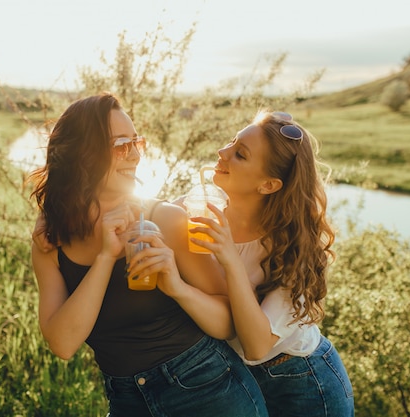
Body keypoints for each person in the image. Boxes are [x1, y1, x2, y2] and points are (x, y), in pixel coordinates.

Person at [28, 93, 268, 417]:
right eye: (121, 145)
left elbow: (229, 324)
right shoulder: (52, 237)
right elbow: (63, 343)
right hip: (126, 400)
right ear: (81, 154)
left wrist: (177, 288)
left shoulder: (165, 220)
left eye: (136, 143)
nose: (135, 156)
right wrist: (104, 258)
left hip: (207, 390)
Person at [184, 110, 355, 416]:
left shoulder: (294, 248)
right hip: (237, 382)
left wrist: (229, 260)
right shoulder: (200, 211)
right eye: (231, 143)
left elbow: (257, 346)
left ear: (268, 185)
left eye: (240, 154)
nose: (221, 153)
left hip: (303, 387)